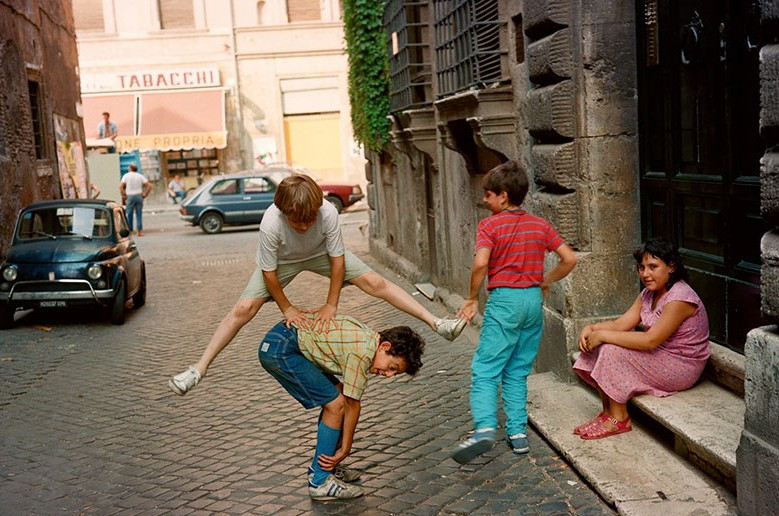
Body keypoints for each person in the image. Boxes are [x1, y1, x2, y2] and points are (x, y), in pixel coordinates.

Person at [168, 174, 465, 395]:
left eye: (310, 219)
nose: (305, 226)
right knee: (243, 308)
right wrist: (287, 309)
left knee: (375, 281)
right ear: (284, 212)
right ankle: (199, 368)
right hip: (283, 262)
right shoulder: (271, 223)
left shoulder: (328, 212)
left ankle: (437, 322)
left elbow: (337, 261)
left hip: (322, 255)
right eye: (298, 221)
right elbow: (269, 272)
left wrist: (331, 304)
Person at [451, 160, 577, 464]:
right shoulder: (540, 225)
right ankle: (518, 433)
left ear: (503, 196)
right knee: (518, 370)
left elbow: (481, 263)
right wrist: (544, 281)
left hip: (505, 301)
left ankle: (483, 429)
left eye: (489, 195)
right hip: (533, 302)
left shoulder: (489, 226)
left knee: (485, 369)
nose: (484, 200)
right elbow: (569, 259)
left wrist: (471, 298)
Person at [258, 313, 424, 500]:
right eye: (392, 367)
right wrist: (345, 448)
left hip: (284, 341)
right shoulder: (362, 353)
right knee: (336, 405)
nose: (388, 375)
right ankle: (319, 481)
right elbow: (353, 404)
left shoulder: (369, 339)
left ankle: (328, 466)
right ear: (385, 347)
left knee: (338, 395)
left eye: (395, 373)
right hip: (282, 349)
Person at [572, 237, 709, 440]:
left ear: (671, 267)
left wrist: (603, 336)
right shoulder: (648, 294)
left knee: (610, 348)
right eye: (641, 267)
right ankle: (608, 413)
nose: (645, 274)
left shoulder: (680, 298)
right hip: (660, 355)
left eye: (653, 267)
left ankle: (619, 418)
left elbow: (650, 340)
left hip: (681, 366)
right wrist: (592, 328)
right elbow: (621, 324)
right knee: (599, 344)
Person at [119, 164, 151, 236]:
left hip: (130, 196)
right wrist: (145, 194)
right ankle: (139, 231)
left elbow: (121, 186)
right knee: (139, 213)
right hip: (139, 196)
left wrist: (124, 195)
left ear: (130, 169)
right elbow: (149, 186)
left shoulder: (126, 176)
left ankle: (130, 230)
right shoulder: (140, 176)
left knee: (129, 213)